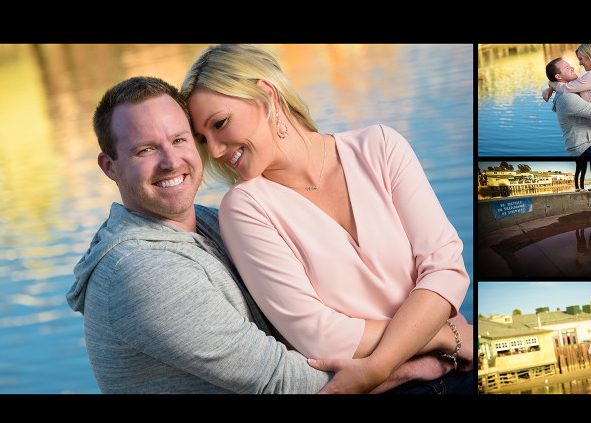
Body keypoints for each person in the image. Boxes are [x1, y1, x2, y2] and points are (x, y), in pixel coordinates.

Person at [66, 76, 454, 394]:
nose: (172, 162)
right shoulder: (140, 271)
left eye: (181, 140)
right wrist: (430, 348)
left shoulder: (209, 224)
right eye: (145, 149)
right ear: (109, 166)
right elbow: (283, 382)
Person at [181, 44, 474, 394]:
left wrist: (385, 360)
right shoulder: (245, 208)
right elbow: (320, 336)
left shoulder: (380, 147)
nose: (213, 150)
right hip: (414, 376)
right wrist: (438, 336)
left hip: (463, 365)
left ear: (266, 95)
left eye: (220, 124)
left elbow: (445, 269)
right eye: (203, 139)